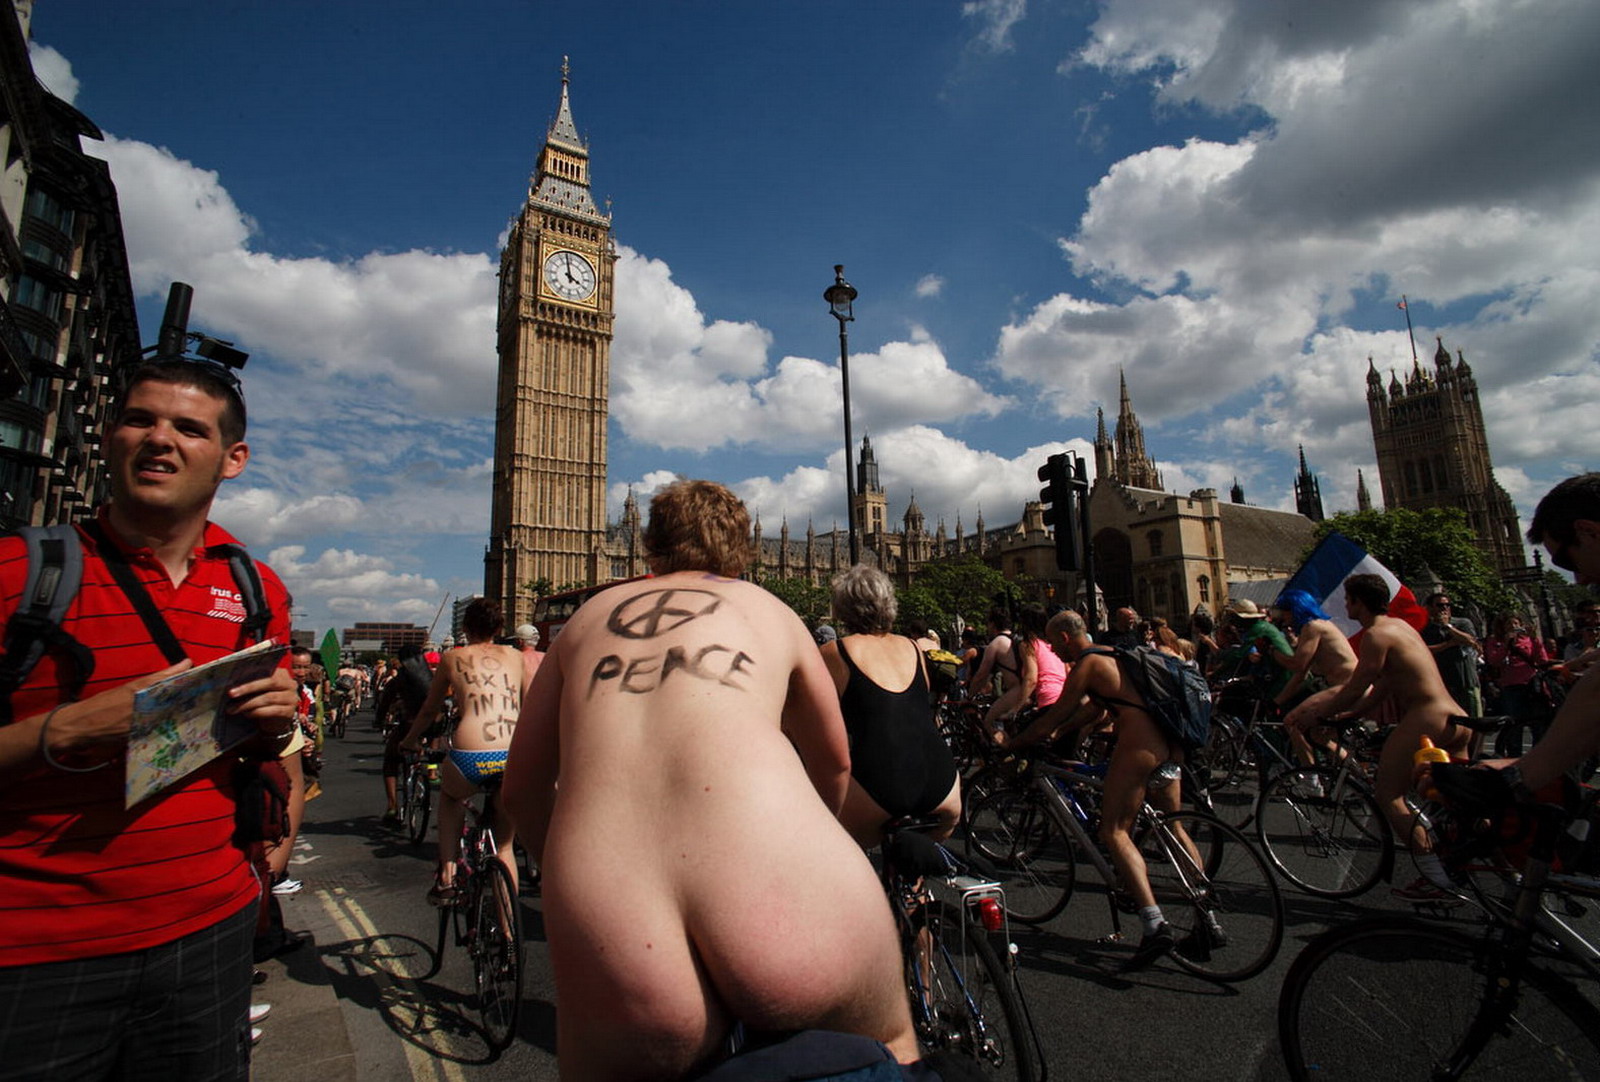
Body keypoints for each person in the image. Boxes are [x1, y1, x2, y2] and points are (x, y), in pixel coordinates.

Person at [502, 480, 916, 1078]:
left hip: (618, 919)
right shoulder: (772, 611)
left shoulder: (588, 619)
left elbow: (520, 789)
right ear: (742, 549)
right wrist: (820, 834)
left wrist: (566, 865)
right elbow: (836, 763)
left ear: (650, 545)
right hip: (793, 894)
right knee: (895, 1047)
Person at [0, 358, 296, 1079]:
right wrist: (69, 729)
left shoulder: (256, 591)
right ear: (109, 438)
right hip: (33, 950)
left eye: (189, 428)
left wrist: (276, 728)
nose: (161, 438)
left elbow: (264, 746)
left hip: (208, 933)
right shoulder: (18, 574)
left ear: (232, 458)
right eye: (140, 420)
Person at [1001, 609, 1204, 968]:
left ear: (1065, 637)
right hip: (1169, 742)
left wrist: (1015, 744)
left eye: (1054, 642)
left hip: (1140, 742)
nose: (1053, 649)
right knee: (1173, 827)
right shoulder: (1114, 654)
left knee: (1114, 831)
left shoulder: (1088, 664)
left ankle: (1154, 925)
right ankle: (1206, 916)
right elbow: (1095, 710)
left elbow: (1056, 713)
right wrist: (1061, 733)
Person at [1304, 573, 1468, 899]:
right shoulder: (1401, 627)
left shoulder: (1375, 635)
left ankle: (1436, 880)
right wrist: (1352, 715)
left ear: (1359, 602)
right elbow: (1385, 685)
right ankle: (1508, 874)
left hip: (1426, 717)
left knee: (1389, 795)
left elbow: (1357, 685)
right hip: (1457, 718)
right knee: (1463, 801)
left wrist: (1321, 714)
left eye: (1348, 600)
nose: (1346, 605)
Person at [818, 565, 961, 847]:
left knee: (826, 839)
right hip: (944, 787)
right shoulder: (914, 648)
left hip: (880, 788)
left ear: (841, 608)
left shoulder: (834, 651)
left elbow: (813, 721)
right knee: (920, 856)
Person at [401, 597, 525, 902]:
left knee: (450, 797)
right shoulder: (516, 656)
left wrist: (410, 740)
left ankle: (447, 874)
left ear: (466, 627)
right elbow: (532, 704)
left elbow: (429, 710)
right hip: (512, 753)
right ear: (499, 628)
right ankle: (509, 926)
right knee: (505, 847)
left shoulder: (452, 657)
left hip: (471, 754)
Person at [1276, 588, 1360, 769]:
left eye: (1285, 611)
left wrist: (1273, 653)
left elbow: (1298, 665)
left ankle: (1312, 777)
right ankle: (1351, 774)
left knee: (1293, 722)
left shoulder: (1313, 627)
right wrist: (1278, 701)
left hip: (1346, 686)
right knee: (1318, 735)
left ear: (1295, 609)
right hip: (1346, 686)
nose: (1283, 616)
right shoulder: (1317, 626)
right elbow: (1301, 674)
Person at [1420, 592, 1483, 719]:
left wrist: (1448, 627)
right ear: (1430, 608)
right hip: (1442, 681)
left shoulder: (1462, 623)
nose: (1444, 608)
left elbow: (1470, 641)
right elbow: (1424, 651)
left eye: (1447, 605)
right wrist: (1449, 644)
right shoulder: (1426, 629)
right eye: (1440, 605)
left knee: (1473, 718)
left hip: (1466, 679)